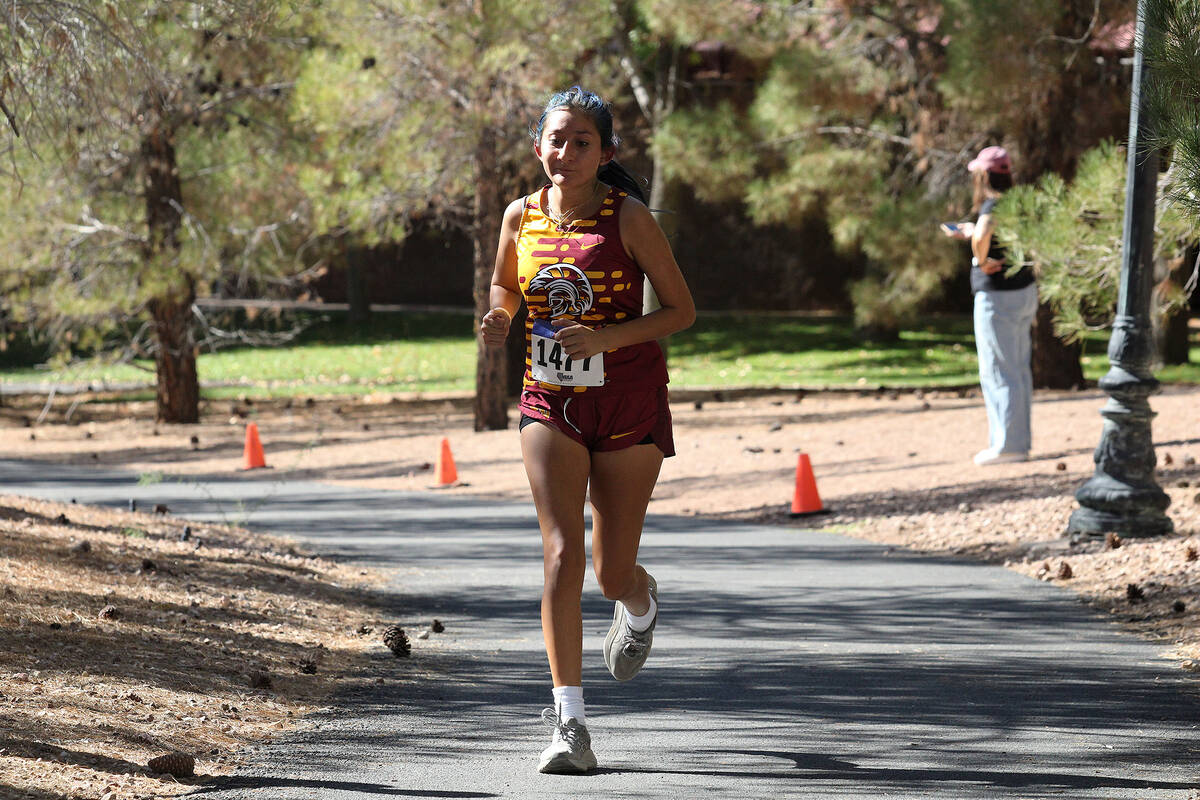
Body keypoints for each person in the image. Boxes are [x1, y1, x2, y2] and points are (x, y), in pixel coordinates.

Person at [478, 86, 696, 774]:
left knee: (608, 574)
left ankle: (639, 600)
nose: (565, 153)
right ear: (537, 145)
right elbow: (504, 285)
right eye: (556, 140)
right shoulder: (520, 215)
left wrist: (607, 340)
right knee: (562, 554)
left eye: (581, 142)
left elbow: (682, 311)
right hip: (550, 401)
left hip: (628, 401)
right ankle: (570, 725)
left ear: (606, 153)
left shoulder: (628, 218)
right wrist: (503, 317)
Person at [942, 145, 1037, 465]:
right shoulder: (1019, 202)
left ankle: (1007, 446)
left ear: (985, 175)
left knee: (998, 370)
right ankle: (1018, 442)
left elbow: (984, 234)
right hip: (1024, 291)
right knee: (1019, 370)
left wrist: (980, 258)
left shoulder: (993, 204)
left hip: (997, 296)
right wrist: (972, 233)